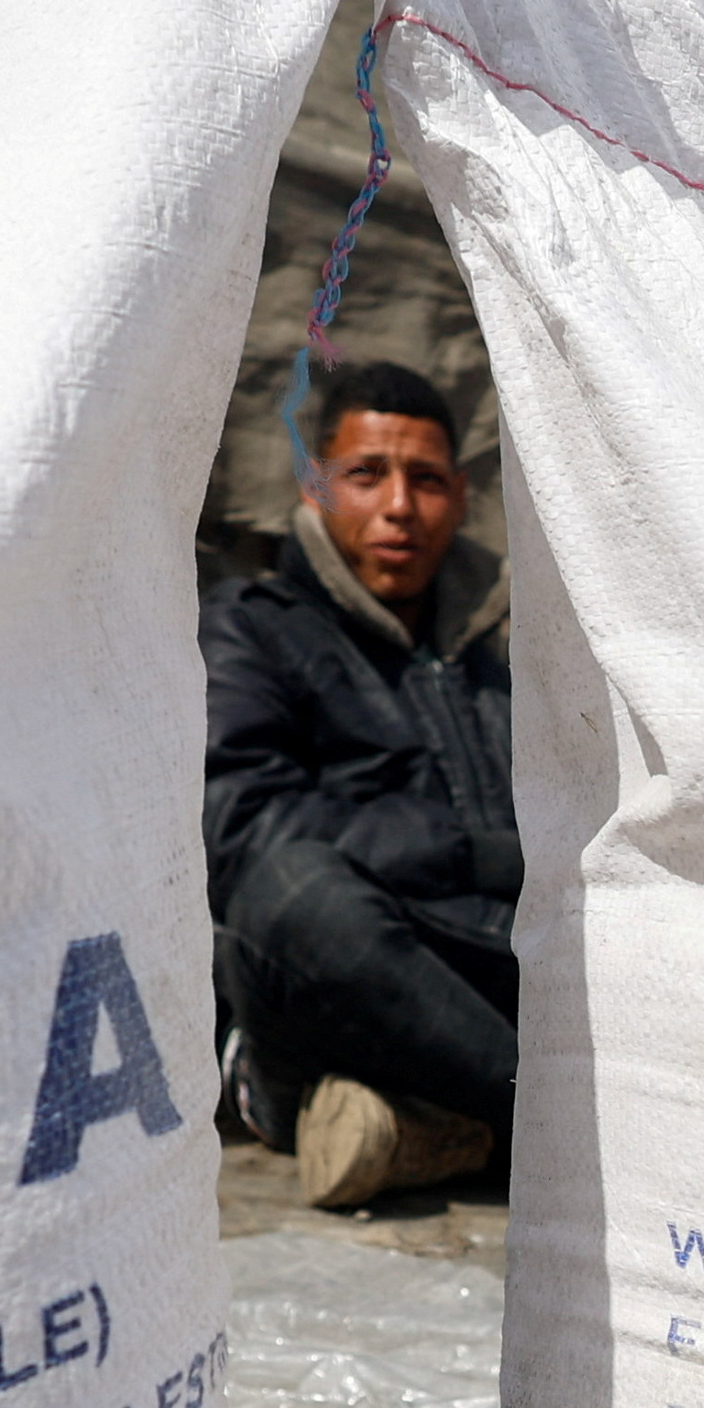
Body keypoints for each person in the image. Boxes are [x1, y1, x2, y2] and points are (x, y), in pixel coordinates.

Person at [203, 362, 517, 1206]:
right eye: (367, 475)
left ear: (458, 497)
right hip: (345, 978)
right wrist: (478, 857)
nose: (400, 507)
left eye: (425, 481)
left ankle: (433, 1130)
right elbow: (243, 830)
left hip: (495, 970)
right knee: (300, 897)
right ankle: (566, 1131)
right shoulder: (250, 631)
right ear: (315, 490)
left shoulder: (503, 655)